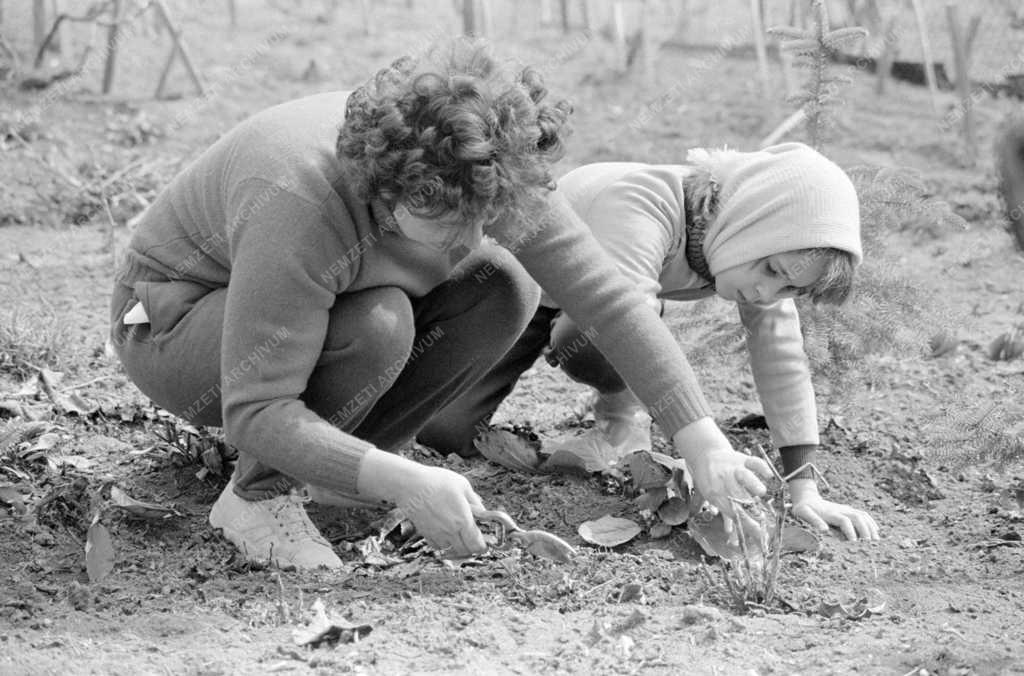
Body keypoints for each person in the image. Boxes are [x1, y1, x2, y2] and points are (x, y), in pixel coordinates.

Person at [110, 37, 782, 571]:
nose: (468, 236)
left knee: (502, 283)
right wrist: (407, 483)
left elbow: (610, 300)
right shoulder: (299, 201)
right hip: (177, 320)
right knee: (377, 327)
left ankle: (345, 476)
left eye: (484, 214)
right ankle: (255, 498)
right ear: (390, 185)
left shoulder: (487, 169)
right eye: (445, 221)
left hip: (323, 300)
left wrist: (703, 444)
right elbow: (256, 408)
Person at [420, 143, 881, 542]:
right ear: (750, 221)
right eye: (774, 272)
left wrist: (804, 488)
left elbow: (782, 354)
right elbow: (626, 322)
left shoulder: (746, 254)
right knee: (442, 434)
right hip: (513, 289)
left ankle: (618, 421)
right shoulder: (644, 203)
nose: (768, 293)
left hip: (594, 310)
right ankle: (624, 412)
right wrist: (702, 446)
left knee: (590, 335)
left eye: (789, 290)